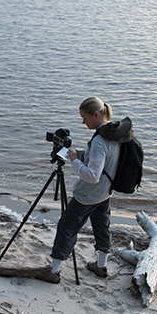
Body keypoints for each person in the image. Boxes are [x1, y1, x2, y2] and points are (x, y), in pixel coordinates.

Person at [35, 96, 125, 283]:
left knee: (67, 226)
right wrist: (80, 155)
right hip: (105, 192)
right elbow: (105, 163)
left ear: (96, 114)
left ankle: (53, 271)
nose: (83, 122)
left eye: (85, 118)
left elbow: (92, 176)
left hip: (88, 195)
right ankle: (101, 266)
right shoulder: (115, 133)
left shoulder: (100, 140)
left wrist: (75, 160)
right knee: (102, 226)